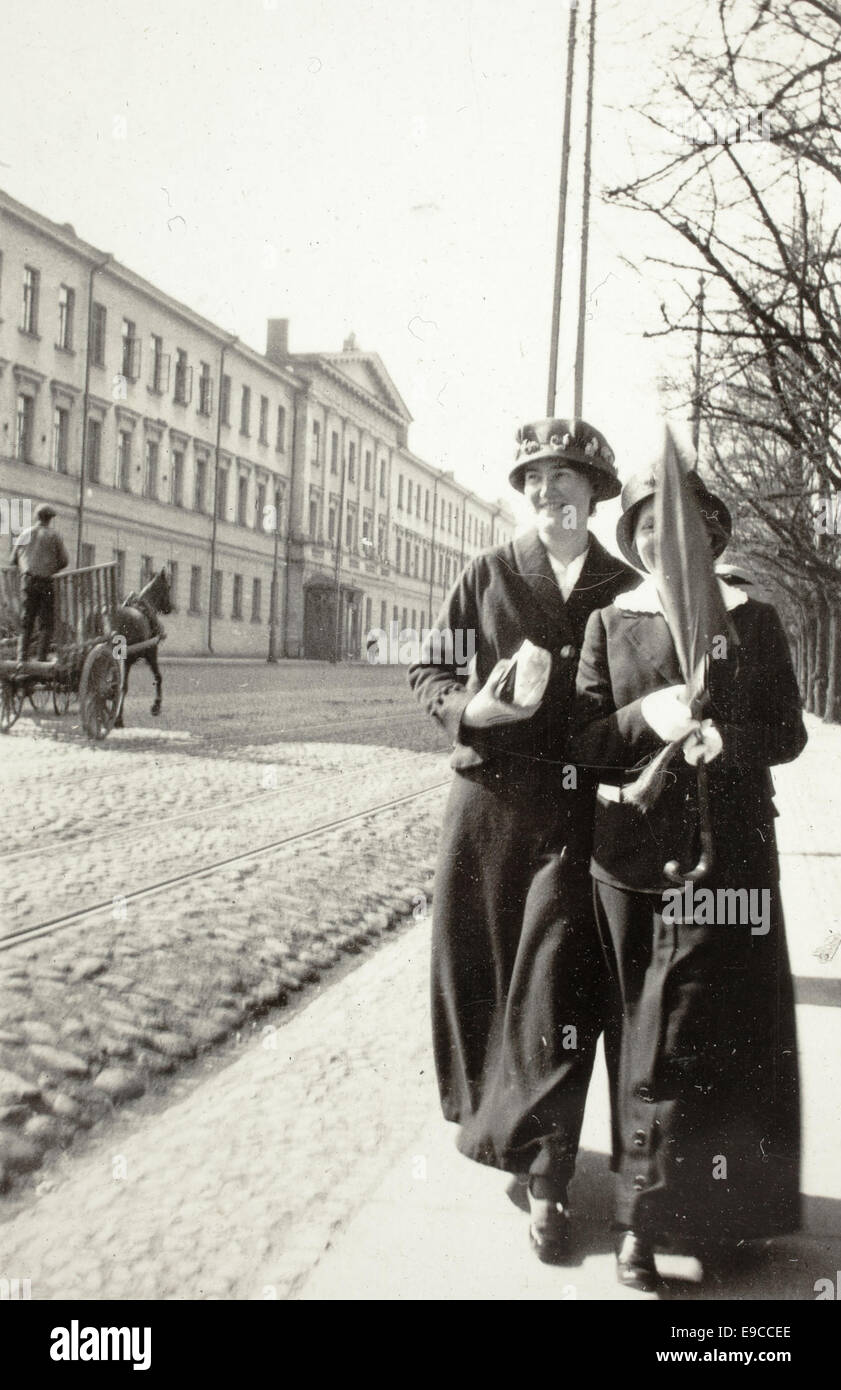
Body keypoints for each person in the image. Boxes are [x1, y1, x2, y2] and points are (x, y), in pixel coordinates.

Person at [408, 418, 638, 1261]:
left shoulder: (625, 586)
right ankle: (507, 1132)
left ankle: (547, 1181)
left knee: (556, 987)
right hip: (485, 813)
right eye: (535, 480)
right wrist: (472, 709)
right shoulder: (488, 573)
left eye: (566, 478)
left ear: (594, 492)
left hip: (575, 819)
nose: (549, 492)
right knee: (482, 982)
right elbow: (430, 669)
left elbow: (644, 691)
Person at [571, 469, 806, 1290]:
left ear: (711, 534)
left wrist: (729, 743)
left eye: (679, 524)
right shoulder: (609, 622)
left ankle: (726, 1217)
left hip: (734, 855)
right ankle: (640, 1223)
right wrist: (651, 718)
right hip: (631, 864)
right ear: (632, 540)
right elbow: (588, 741)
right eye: (641, 528)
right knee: (644, 1037)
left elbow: (788, 733)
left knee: (729, 1037)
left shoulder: (756, 620)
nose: (658, 539)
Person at [11, 503, 69, 662]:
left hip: (28, 583)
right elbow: (64, 561)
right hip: (46, 583)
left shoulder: (25, 534)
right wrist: (50, 567)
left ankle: (21, 657)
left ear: (37, 517)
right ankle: (41, 658)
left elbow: (13, 559)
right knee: (46, 622)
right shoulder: (54, 535)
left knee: (27, 621)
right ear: (50, 519)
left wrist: (26, 567)